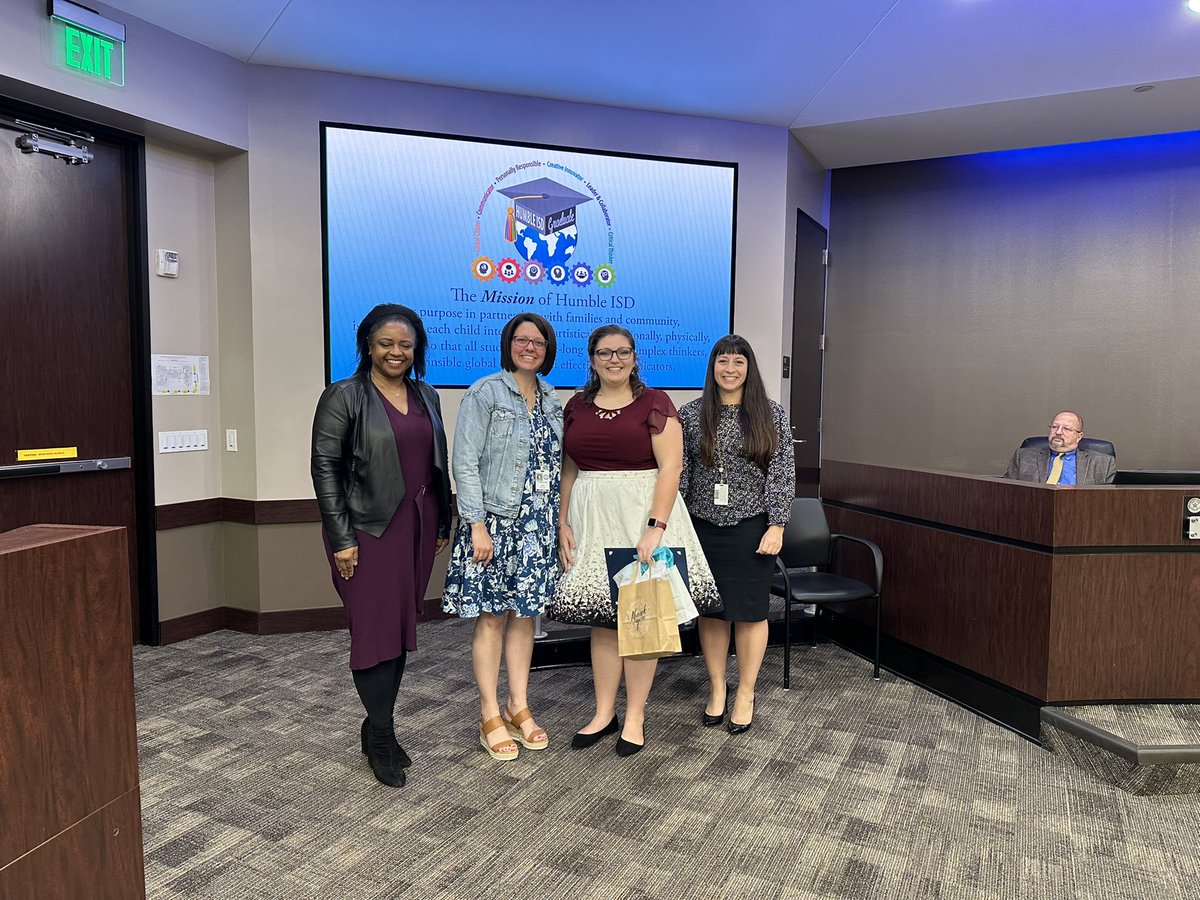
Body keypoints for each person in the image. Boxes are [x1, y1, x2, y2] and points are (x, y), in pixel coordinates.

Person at [548, 324, 720, 756]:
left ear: (634, 357)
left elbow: (671, 468)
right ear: (591, 360)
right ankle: (605, 713)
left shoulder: (655, 402)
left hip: (642, 517)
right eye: (605, 353)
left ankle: (636, 716)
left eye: (623, 352)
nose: (614, 359)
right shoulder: (576, 406)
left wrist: (655, 527)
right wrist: (563, 520)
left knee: (641, 620)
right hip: (592, 516)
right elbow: (569, 469)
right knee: (605, 621)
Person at [310, 303, 452, 788]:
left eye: (405, 344)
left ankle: (376, 725)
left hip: (416, 525)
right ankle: (382, 736)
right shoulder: (344, 396)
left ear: (417, 350)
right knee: (374, 633)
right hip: (367, 532)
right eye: (386, 343)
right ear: (367, 345)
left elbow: (436, 464)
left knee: (398, 630)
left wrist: (440, 524)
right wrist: (341, 538)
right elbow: (325, 470)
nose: (396, 352)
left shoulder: (427, 394)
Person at [442, 313, 563, 761]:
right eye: (521, 339)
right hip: (494, 524)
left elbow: (557, 467)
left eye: (538, 341)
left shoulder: (553, 398)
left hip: (538, 524)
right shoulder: (485, 392)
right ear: (508, 344)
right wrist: (475, 524)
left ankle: (518, 703)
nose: (529, 347)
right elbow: (465, 463)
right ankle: (490, 711)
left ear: (548, 348)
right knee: (491, 616)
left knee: (525, 617)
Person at [679, 335, 795, 735]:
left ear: (749, 368)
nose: (730, 369)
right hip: (702, 526)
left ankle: (745, 691)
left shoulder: (770, 415)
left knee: (749, 613)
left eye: (738, 362)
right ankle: (717, 687)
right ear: (712, 368)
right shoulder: (691, 415)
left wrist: (777, 524)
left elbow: (782, 474)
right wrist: (673, 527)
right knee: (712, 612)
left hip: (752, 528)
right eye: (722, 361)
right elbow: (681, 475)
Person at [1004, 410, 1116, 485]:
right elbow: (1007, 491)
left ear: (1079, 436)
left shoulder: (1103, 463)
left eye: (1066, 429)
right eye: (1054, 427)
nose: (1058, 432)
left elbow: (1109, 501)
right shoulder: (1023, 457)